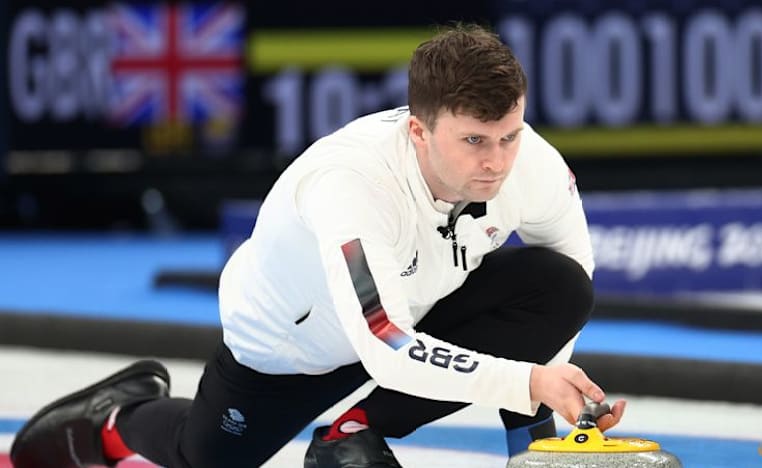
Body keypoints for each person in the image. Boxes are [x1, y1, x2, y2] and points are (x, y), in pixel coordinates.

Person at [11, 24, 625, 468]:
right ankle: (117, 419)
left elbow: (568, 279)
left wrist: (536, 428)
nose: (497, 163)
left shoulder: (531, 162)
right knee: (206, 457)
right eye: (474, 142)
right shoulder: (351, 188)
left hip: (418, 308)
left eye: (509, 135)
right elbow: (385, 345)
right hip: (292, 345)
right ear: (418, 130)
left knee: (562, 284)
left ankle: (350, 431)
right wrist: (527, 383)